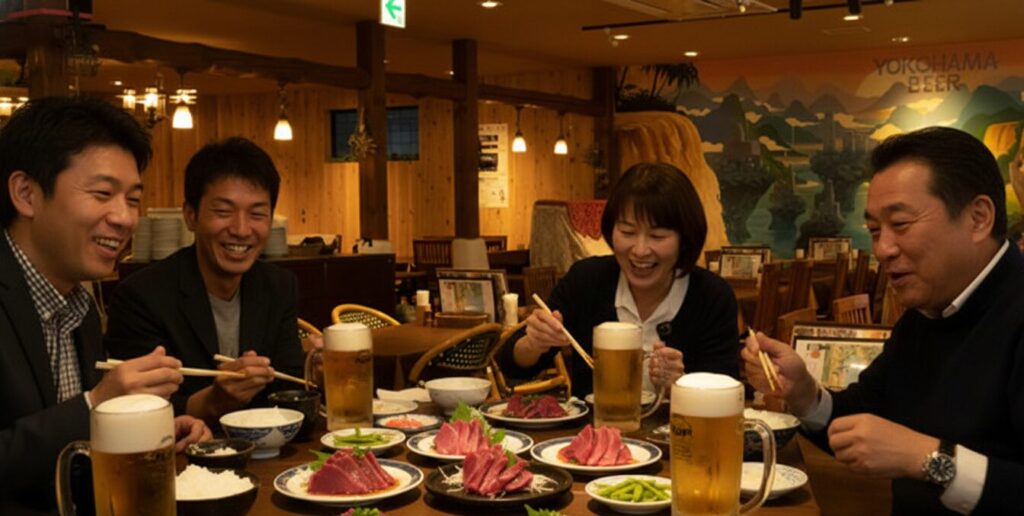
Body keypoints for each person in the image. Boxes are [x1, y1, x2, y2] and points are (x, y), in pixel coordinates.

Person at [743, 126, 1024, 514]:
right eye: (875, 230)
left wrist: (929, 458)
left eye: (901, 224)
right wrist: (804, 393)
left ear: (978, 218)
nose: (883, 249)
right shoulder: (924, 315)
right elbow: (863, 419)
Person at [0, 96, 210, 514]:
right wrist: (96, 407)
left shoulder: (79, 303)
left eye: (132, 199)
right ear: (26, 194)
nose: (125, 218)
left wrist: (141, 431)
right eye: (102, 193)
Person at [105, 137, 305, 423]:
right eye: (223, 212)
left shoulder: (278, 286)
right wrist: (213, 401)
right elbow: (135, 408)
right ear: (191, 216)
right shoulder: (142, 296)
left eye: (257, 214)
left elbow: (289, 388)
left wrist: (316, 373)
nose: (241, 229)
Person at [505, 162, 739, 397]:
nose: (640, 250)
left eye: (657, 236)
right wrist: (534, 343)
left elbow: (726, 394)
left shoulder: (711, 296)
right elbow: (513, 365)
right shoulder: (586, 280)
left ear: (685, 238)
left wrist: (681, 384)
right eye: (627, 232)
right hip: (596, 421)